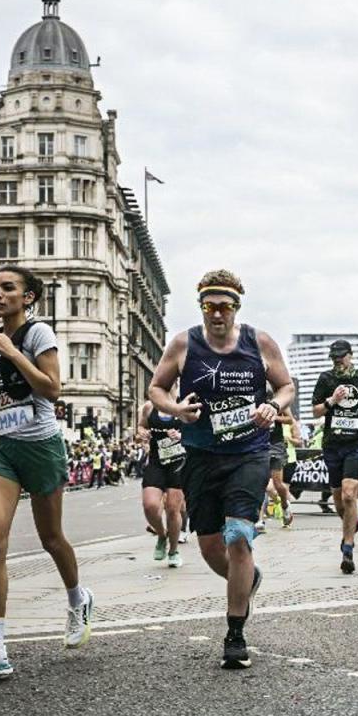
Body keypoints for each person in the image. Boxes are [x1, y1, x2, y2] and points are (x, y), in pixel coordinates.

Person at [148, 268, 294, 670]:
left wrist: (273, 405)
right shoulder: (183, 344)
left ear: (236, 308)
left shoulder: (258, 342)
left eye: (224, 306)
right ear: (201, 307)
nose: (217, 314)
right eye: (209, 306)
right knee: (211, 547)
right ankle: (247, 580)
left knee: (239, 535)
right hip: (200, 457)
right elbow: (156, 389)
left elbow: (286, 386)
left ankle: (234, 633)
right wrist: (175, 409)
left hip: (248, 453)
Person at [0, 267, 92, 683]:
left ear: (28, 297)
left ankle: (77, 597)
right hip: (1, 444)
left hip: (41, 446)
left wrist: (14, 354)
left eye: (7, 288)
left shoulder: (38, 334)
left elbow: (52, 388)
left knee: (51, 538)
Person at [311, 340, 358, 574]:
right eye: (334, 357)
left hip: (356, 443)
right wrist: (331, 401)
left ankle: (348, 548)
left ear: (350, 356)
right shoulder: (326, 379)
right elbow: (315, 410)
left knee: (350, 493)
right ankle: (352, 525)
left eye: (341, 356)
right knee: (340, 503)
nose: (337, 360)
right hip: (333, 445)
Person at [137, 399, 187, 567]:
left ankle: (173, 551)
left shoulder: (186, 404)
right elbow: (141, 426)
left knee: (173, 509)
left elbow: (201, 430)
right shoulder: (149, 407)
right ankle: (161, 534)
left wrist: (181, 436)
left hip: (178, 463)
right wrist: (142, 432)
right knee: (149, 505)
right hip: (156, 462)